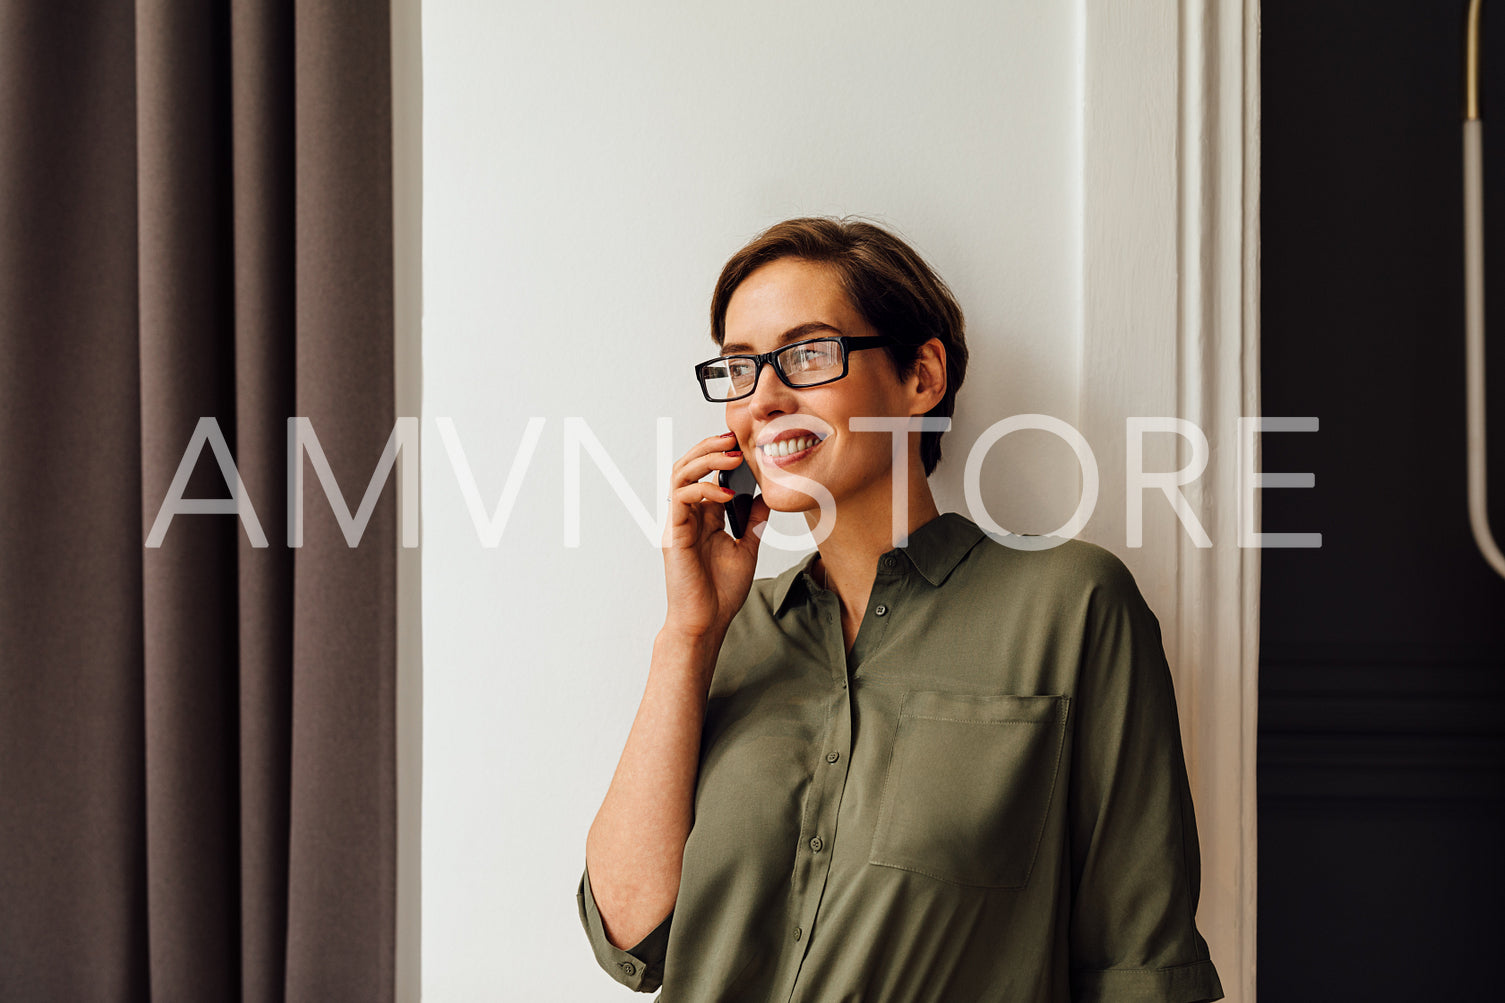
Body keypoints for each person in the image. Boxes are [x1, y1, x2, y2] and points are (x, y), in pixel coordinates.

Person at [576, 216, 1225, 1002]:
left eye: (806, 354)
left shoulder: (1070, 606)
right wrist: (688, 632)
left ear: (920, 376)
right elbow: (629, 935)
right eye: (739, 367)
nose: (764, 398)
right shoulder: (730, 636)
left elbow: (1142, 967)